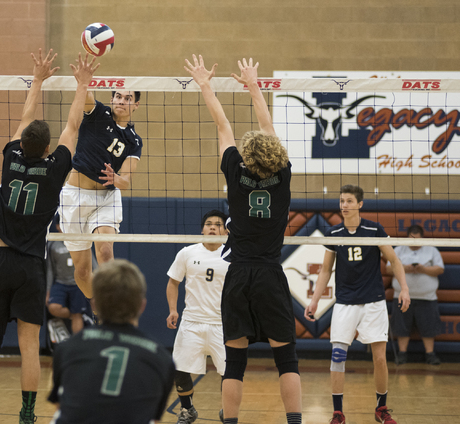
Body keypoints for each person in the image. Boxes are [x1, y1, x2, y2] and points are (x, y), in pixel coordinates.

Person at [0, 49, 100, 424]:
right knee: (29, 345)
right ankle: (27, 416)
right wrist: (82, 85)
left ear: (23, 144)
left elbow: (25, 120)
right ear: (47, 149)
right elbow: (73, 128)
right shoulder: (56, 168)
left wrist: (38, 79)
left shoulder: (11, 156)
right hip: (30, 265)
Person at [185, 55, 303, 424]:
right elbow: (267, 127)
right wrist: (254, 85)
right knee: (287, 360)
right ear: (275, 155)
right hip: (270, 273)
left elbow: (223, 126)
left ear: (246, 156)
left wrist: (205, 84)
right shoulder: (282, 174)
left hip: (237, 276)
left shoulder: (235, 174)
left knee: (234, 363)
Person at [304, 184, 411, 424]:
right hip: (345, 303)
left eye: (350, 201)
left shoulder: (373, 229)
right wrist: (314, 301)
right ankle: (338, 412)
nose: (344, 205)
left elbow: (394, 260)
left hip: (373, 301)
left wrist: (404, 288)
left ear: (360, 204)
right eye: (342, 201)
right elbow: (325, 271)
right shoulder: (334, 233)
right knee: (338, 356)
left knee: (380, 358)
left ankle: (381, 408)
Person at [48, 259, 175, 424]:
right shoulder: (162, 359)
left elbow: (61, 405)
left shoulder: (66, 348)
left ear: (94, 304)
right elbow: (154, 418)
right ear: (142, 306)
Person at [58, 83, 143, 300]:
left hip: (106, 198)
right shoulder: (98, 113)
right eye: (118, 96)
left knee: (105, 252)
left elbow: (126, 181)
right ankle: (96, 303)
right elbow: (85, 95)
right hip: (74, 197)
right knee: (83, 272)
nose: (121, 101)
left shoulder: (133, 141)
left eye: (127, 98)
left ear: (136, 105)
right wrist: (84, 79)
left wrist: (117, 179)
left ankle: (111, 310)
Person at [166, 209, 229, 424]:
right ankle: (187, 410)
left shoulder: (234, 255)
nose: (213, 227)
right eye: (209, 224)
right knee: (180, 370)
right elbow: (173, 282)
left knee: (229, 373)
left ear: (226, 230)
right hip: (191, 322)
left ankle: (228, 409)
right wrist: (173, 310)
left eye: (218, 224)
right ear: (202, 229)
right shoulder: (187, 252)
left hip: (222, 324)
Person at [387, 224, 444, 365]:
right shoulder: (398, 250)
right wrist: (404, 269)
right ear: (407, 238)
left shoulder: (432, 250)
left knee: (428, 328)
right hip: (401, 296)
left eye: (417, 240)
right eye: (412, 240)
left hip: (427, 297)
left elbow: (439, 269)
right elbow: (388, 269)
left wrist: (423, 269)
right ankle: (402, 354)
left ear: (422, 238)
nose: (414, 243)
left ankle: (430, 354)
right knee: (401, 327)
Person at [47, 214, 95, 336]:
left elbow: (94, 266)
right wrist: (48, 291)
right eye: (63, 224)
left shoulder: (81, 241)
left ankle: (77, 345)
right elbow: (50, 270)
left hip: (78, 284)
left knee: (76, 315)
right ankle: (80, 315)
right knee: (53, 307)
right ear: (57, 226)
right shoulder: (53, 244)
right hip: (60, 283)